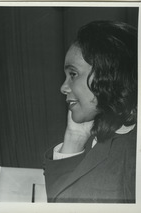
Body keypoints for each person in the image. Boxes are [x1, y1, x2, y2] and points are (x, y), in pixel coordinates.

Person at [43, 20, 137, 203]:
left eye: (73, 74)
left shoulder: (134, 149)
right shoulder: (100, 137)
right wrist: (74, 137)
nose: (63, 87)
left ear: (109, 75)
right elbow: (60, 202)